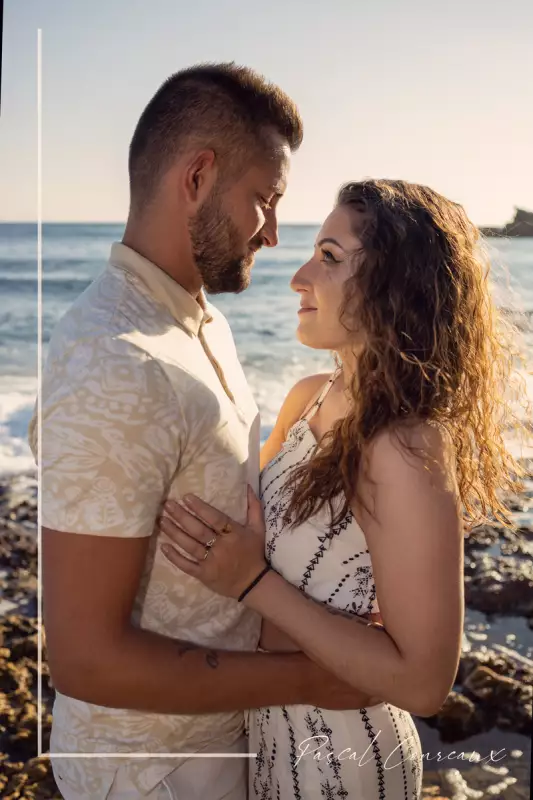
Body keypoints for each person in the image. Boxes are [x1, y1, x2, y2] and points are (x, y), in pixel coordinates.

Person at [29, 65, 380, 800]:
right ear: (196, 177)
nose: (276, 233)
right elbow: (86, 660)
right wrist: (315, 673)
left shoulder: (201, 319)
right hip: (149, 771)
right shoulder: (113, 361)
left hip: (223, 739)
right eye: (264, 199)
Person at [160, 178, 524, 799]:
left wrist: (252, 583)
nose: (299, 276)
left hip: (345, 762)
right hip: (272, 734)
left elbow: (423, 684)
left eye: (329, 257)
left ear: (395, 286)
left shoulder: (403, 449)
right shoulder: (308, 399)